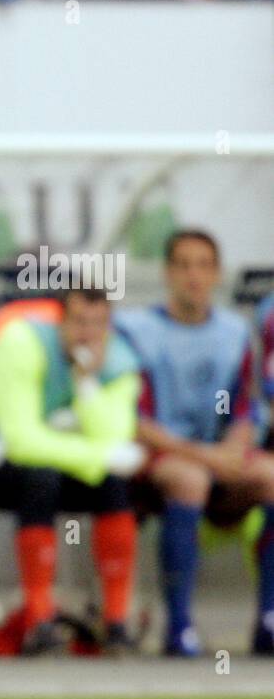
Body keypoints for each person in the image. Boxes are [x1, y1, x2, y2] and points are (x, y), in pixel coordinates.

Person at [0, 287, 144, 654]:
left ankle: (115, 622)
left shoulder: (119, 361)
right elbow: (21, 440)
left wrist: (85, 382)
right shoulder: (21, 342)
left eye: (98, 324)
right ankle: (39, 620)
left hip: (57, 459)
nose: (87, 333)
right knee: (43, 479)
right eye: (79, 322)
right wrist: (96, 457)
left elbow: (114, 434)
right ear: (60, 321)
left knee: (112, 485)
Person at [116, 229, 274, 657]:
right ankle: (180, 625)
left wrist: (235, 448)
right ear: (168, 272)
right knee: (189, 480)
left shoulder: (233, 333)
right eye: (183, 265)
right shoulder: (137, 330)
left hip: (215, 456)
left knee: (270, 476)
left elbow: (243, 408)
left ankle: (268, 620)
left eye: (203, 265)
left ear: (216, 274)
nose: (193, 275)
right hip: (160, 457)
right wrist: (205, 456)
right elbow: (133, 420)